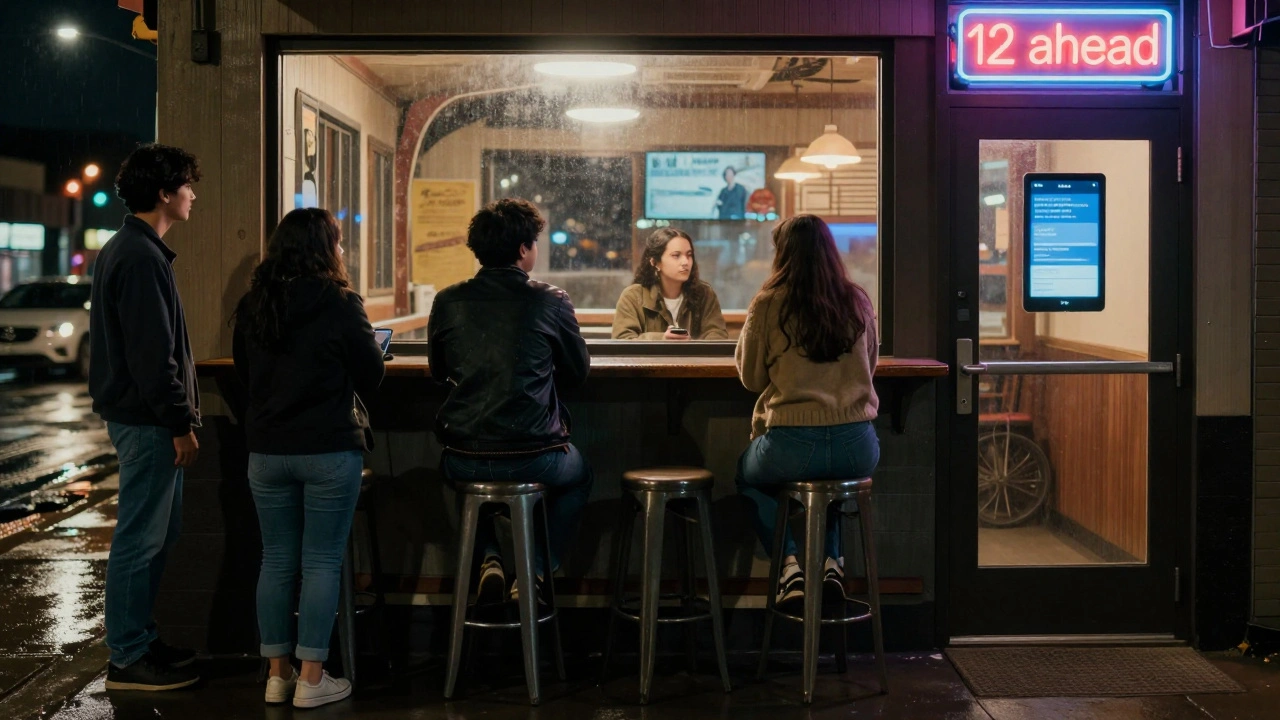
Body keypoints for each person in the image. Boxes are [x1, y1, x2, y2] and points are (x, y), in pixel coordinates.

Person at [232, 208, 385, 708]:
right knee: (320, 563)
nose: (341, 251)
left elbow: (243, 377)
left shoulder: (254, 303)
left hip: (266, 452)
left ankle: (278, 675)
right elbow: (370, 374)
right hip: (326, 450)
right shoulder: (340, 302)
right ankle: (314, 680)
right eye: (338, 243)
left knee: (275, 560)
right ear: (326, 248)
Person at [429, 198, 593, 604]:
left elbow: (437, 371)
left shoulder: (447, 301)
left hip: (462, 453)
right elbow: (578, 370)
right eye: (534, 241)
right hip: (535, 455)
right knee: (581, 474)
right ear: (523, 249)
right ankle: (534, 571)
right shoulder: (550, 300)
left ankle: (488, 557)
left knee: (465, 481)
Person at [89, 144, 202, 691]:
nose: (193, 195)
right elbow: (152, 355)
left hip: (144, 418)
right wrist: (179, 422)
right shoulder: (138, 256)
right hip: (149, 422)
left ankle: (140, 639)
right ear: (164, 192)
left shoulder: (134, 250)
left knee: (158, 533)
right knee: (139, 537)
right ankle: (129, 656)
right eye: (187, 185)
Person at [734, 214, 880, 608]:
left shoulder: (768, 303)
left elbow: (751, 378)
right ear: (830, 251)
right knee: (828, 489)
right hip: (858, 446)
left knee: (747, 478)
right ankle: (833, 563)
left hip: (791, 445)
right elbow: (870, 364)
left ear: (782, 254)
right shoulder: (858, 299)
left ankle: (790, 566)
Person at [611, 228, 728, 341]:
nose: (685, 262)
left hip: (693, 361)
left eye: (689, 255)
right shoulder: (633, 296)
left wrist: (691, 343)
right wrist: (662, 339)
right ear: (655, 262)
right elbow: (622, 340)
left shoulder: (704, 294)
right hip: (650, 362)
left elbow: (718, 337)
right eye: (676, 256)